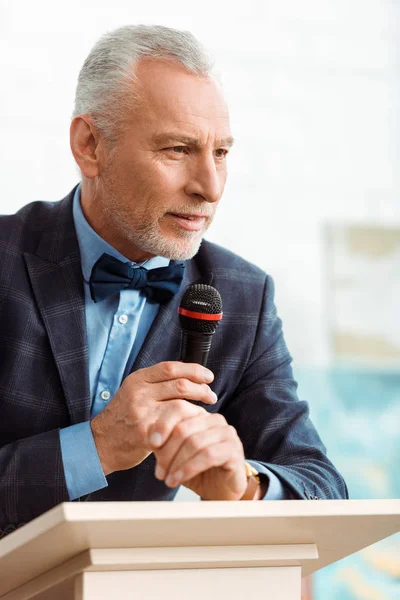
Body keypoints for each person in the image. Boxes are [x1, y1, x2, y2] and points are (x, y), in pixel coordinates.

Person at [0, 25, 348, 537]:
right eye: (178, 149)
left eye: (221, 153)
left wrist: (243, 485)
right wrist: (93, 447)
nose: (210, 188)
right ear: (90, 144)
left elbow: (323, 488)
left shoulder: (244, 296)